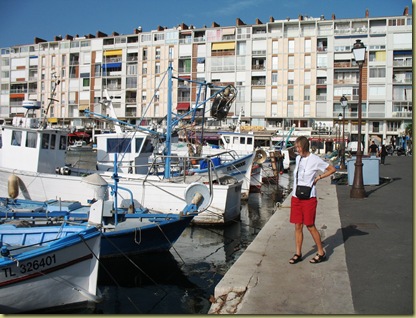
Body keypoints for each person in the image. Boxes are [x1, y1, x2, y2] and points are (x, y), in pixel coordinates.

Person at [289, 136, 336, 265]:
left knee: (310, 225)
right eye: (296, 147)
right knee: (297, 225)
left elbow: (332, 169)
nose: (297, 149)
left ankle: (321, 252)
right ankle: (298, 253)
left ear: (304, 146)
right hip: (296, 196)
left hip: (309, 197)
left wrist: (319, 177)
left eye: (298, 147)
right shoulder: (298, 159)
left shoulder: (315, 160)